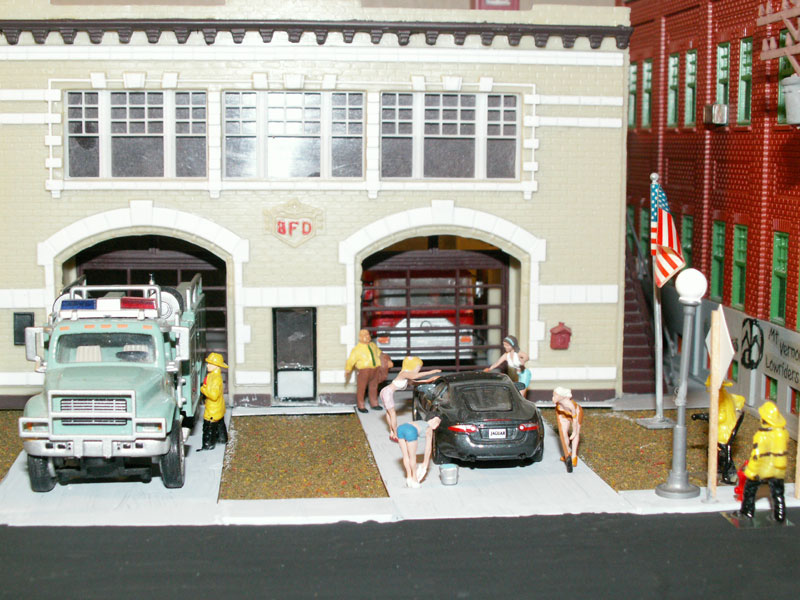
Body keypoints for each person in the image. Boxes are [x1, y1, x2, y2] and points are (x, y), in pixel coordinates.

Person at [739, 401, 788, 523]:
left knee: (749, 491)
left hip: (762, 469)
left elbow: (757, 456)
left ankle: (747, 512)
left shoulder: (761, 436)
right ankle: (780, 515)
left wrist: (751, 470)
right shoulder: (782, 433)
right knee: (778, 494)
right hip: (778, 470)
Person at [380, 356, 441, 441]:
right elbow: (415, 376)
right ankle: (395, 434)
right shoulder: (404, 373)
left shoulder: (406, 376)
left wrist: (429, 380)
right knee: (392, 414)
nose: (419, 369)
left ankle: (392, 432)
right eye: (418, 368)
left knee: (389, 413)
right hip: (387, 392)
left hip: (386, 392)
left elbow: (415, 382)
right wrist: (432, 372)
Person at [345, 329, 393, 413]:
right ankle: (361, 405)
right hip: (364, 371)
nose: (367, 337)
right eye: (364, 335)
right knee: (362, 388)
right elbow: (351, 360)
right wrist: (348, 369)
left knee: (374, 387)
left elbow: (380, 354)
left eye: (367, 335)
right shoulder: (357, 349)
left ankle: (374, 403)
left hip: (375, 370)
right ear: (360, 337)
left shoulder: (373, 346)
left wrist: (386, 361)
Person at [396, 416, 442, 488]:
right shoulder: (429, 428)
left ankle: (409, 478)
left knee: (405, 455)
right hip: (410, 431)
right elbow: (428, 448)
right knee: (412, 457)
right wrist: (425, 462)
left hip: (401, 428)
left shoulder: (422, 422)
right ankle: (414, 479)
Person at [198, 352, 228, 452]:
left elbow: (213, 396)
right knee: (220, 425)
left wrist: (203, 389)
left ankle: (208, 445)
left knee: (208, 429)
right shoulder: (213, 376)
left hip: (212, 409)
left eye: (210, 364)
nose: (207, 365)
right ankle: (222, 439)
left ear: (216, 366)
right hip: (218, 408)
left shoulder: (215, 379)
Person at [553, 386, 582, 470]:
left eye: (555, 395)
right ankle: (567, 453)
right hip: (564, 416)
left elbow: (575, 420)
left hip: (576, 415)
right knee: (563, 433)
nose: (553, 397)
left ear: (562, 396)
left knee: (575, 435)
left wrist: (574, 430)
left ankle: (574, 457)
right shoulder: (558, 404)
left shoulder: (570, 405)